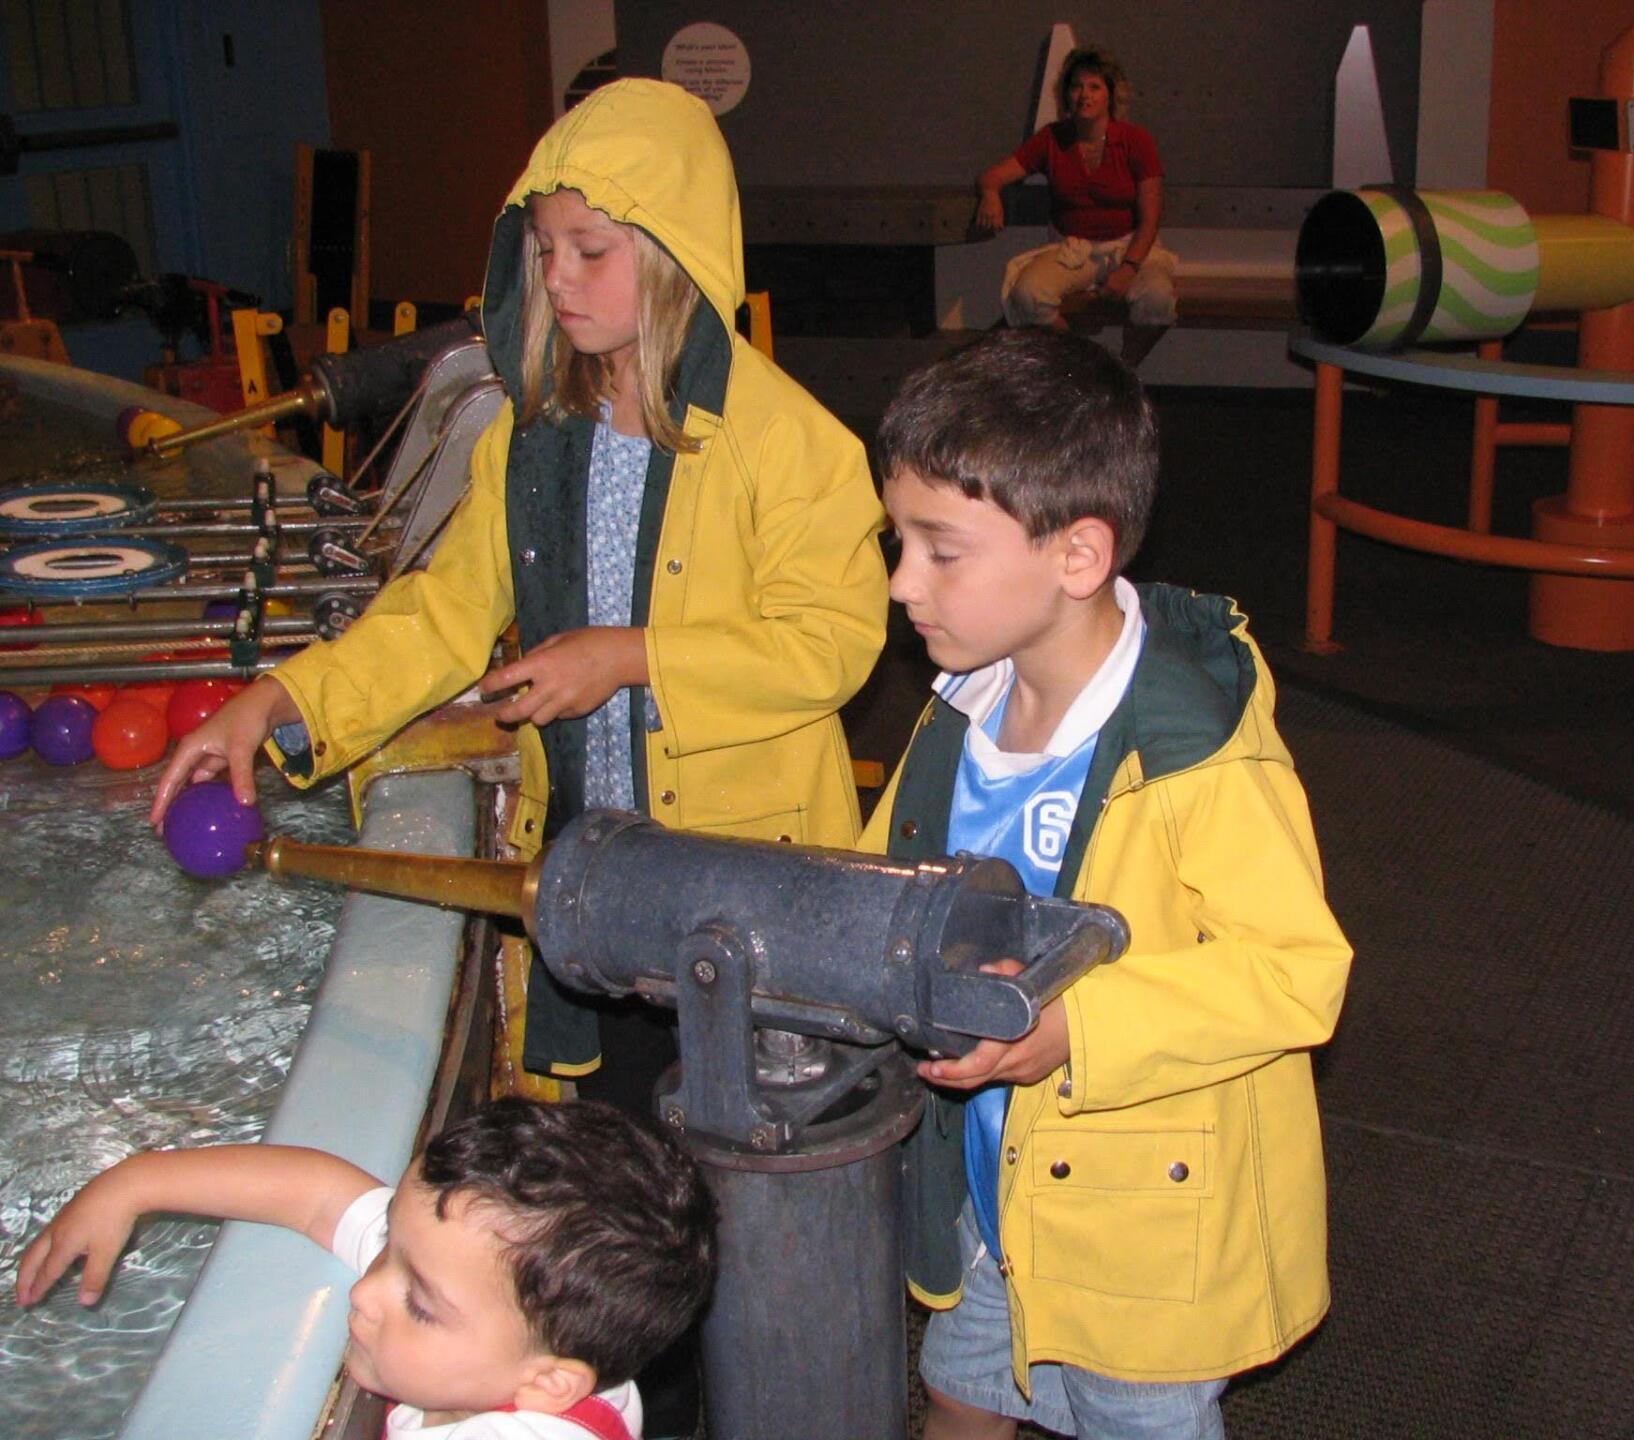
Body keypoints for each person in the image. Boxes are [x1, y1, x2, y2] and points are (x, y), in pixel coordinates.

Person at [150, 77, 886, 1436]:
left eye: (591, 251)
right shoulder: (533, 435)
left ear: (675, 256)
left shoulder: (796, 446)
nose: (558, 278)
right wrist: (283, 702)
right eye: (543, 250)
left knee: (749, 1197)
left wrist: (633, 655)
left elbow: (833, 643)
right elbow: (440, 612)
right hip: (594, 881)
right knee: (618, 1202)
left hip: (741, 898)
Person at [865, 328, 1353, 1440]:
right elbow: (891, 883)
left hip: (1139, 1225)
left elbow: (1297, 973)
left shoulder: (1192, 747)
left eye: (941, 550)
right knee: (960, 1396)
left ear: (1078, 556)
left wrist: (1075, 1028)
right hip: (990, 1193)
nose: (902, 583)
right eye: (899, 540)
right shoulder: (961, 713)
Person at [15, 1099, 718, 1440]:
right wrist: (135, 1183)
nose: (366, 1288)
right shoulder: (498, 1289)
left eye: (421, 1306)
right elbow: (318, 1196)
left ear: (548, 1385)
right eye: (387, 1246)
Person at [973, 46, 1177, 360]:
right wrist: (990, 195)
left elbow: (1151, 218)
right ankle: (1087, 361)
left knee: (1158, 300)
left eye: (1094, 87)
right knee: (1027, 295)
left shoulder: (1136, 141)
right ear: (1066, 95)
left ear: (1110, 95)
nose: (1084, 95)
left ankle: (1124, 368)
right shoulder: (1052, 138)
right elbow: (992, 176)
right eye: (1076, 87)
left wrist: (1128, 268)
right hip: (1073, 249)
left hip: (1129, 246)